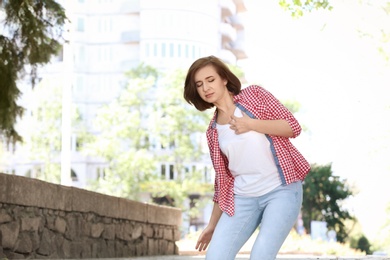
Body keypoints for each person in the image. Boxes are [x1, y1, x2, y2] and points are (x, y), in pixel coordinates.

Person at [183, 56, 310, 260]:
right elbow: (222, 181)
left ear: (224, 79)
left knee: (260, 255)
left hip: (281, 190)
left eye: (210, 79)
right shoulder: (213, 132)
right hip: (243, 198)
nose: (206, 87)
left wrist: (251, 124)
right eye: (199, 84)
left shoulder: (254, 95)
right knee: (215, 257)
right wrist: (212, 225)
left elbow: (292, 126)